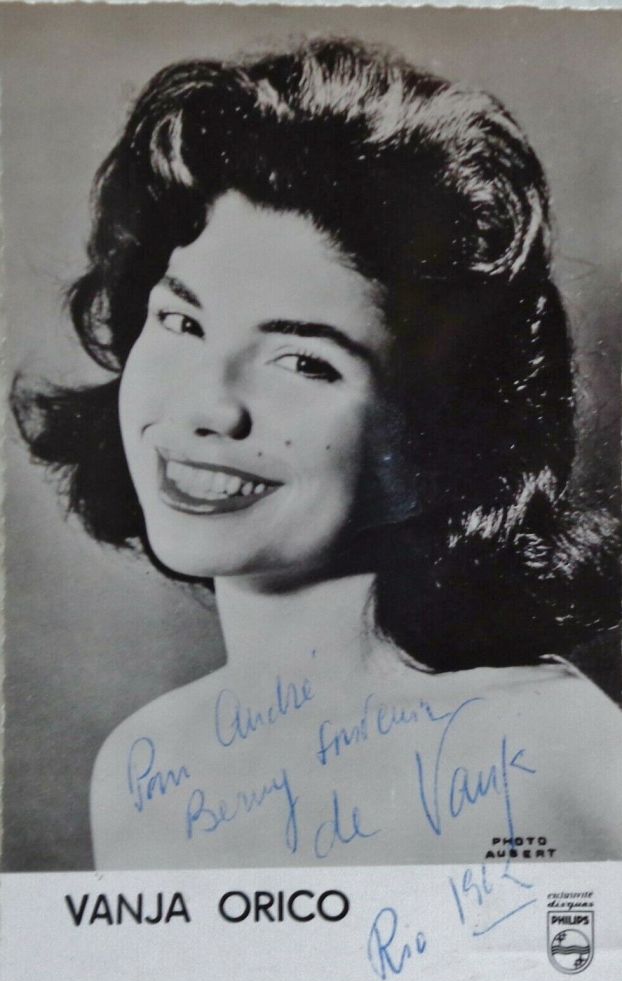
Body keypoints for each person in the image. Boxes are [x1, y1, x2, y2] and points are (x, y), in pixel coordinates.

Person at [12, 38, 621, 869]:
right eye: (182, 322)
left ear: (434, 429)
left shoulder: (558, 756)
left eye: (304, 362)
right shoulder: (144, 770)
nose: (209, 405)